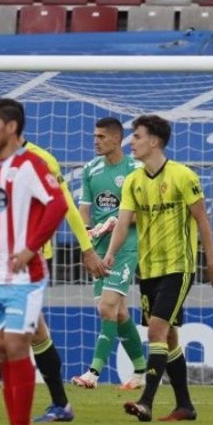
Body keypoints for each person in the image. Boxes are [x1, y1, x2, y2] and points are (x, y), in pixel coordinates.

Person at [0, 100, 108, 423]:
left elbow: (64, 206)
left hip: (28, 262)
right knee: (31, 334)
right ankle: (58, 404)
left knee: (14, 334)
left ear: (11, 127)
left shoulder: (40, 161)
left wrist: (87, 248)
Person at [103, 114, 213, 422]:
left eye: (137, 136)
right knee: (168, 337)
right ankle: (185, 405)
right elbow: (123, 223)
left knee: (157, 329)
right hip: (148, 269)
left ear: (154, 141)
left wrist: (211, 261)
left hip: (178, 267)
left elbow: (202, 221)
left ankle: (146, 401)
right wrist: (109, 256)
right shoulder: (134, 181)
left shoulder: (184, 176)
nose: (132, 141)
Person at [0, 98, 69, 425]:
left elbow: (58, 205)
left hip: (25, 277)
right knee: (2, 347)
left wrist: (31, 247)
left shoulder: (32, 166)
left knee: (15, 344)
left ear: (11, 127)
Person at [71, 117, 146, 390]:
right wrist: (87, 243)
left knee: (106, 307)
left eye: (102, 136)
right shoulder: (90, 169)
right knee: (120, 313)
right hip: (99, 248)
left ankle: (93, 373)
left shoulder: (135, 170)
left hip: (125, 246)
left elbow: (142, 213)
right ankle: (141, 371)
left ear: (117, 138)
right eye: (95, 136)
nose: (96, 141)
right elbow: (84, 211)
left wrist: (117, 222)